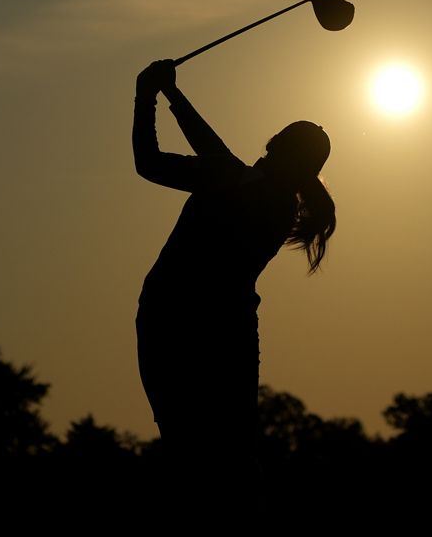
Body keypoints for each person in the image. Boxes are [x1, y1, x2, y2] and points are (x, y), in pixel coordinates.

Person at [132, 59, 335, 516]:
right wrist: (160, 95)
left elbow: (208, 156)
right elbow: (156, 163)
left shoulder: (255, 192)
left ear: (277, 147)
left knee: (205, 454)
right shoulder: (249, 186)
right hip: (219, 331)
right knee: (221, 454)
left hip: (178, 324)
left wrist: (157, 94)